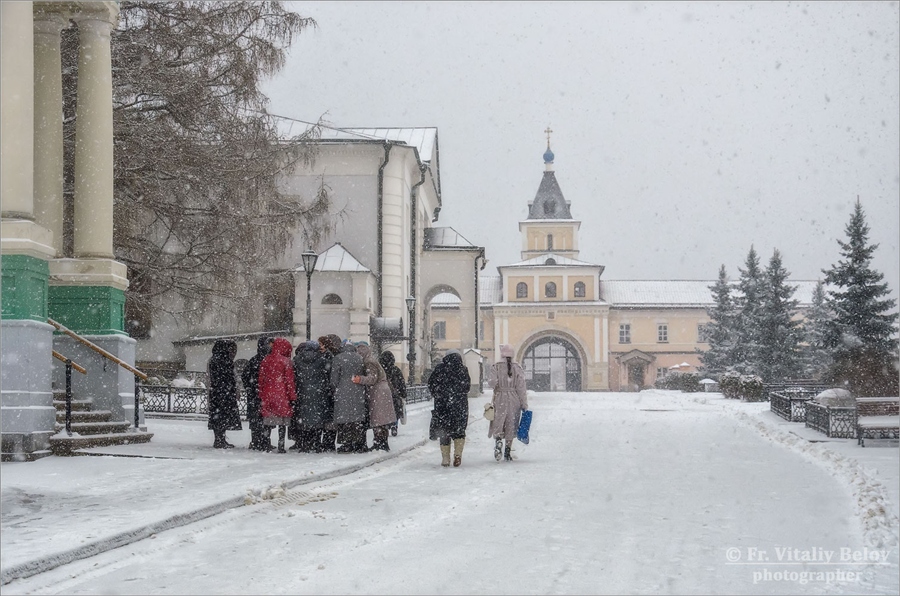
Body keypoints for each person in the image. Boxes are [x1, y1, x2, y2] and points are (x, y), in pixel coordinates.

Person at [428, 349, 471, 467]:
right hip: (459, 405)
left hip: (442, 405)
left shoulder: (439, 369)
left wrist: (438, 394)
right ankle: (457, 455)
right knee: (459, 431)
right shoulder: (463, 369)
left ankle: (445, 458)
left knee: (444, 432)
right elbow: (467, 387)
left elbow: (431, 384)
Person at [487, 344, 528, 462]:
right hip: (514, 398)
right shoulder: (517, 368)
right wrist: (524, 404)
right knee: (511, 423)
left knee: (499, 421)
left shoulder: (496, 367)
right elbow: (521, 388)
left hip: (500, 397)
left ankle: (498, 440)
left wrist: (498, 383)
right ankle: (508, 451)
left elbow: (491, 383)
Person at [354, 342, 397, 451]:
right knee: (381, 419)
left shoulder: (369, 362)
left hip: (378, 392)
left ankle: (380, 444)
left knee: (378, 419)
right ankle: (382, 443)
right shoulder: (371, 360)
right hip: (382, 391)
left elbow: (372, 378)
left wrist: (360, 379)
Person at [292, 340, 332, 452]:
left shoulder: (297, 360)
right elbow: (328, 374)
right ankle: (317, 443)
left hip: (302, 392)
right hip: (319, 394)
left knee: (303, 419)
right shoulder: (322, 361)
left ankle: (304, 444)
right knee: (317, 420)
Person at [259, 337, 296, 454]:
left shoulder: (266, 360)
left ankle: (266, 443)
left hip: (268, 393)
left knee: (268, 420)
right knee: (282, 422)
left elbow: (261, 379)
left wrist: (261, 393)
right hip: (282, 394)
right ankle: (281, 445)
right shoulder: (286, 361)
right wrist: (293, 396)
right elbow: (289, 381)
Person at [331, 338, 368, 453]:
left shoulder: (338, 358)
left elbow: (334, 379)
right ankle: (359, 443)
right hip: (358, 390)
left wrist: (334, 389)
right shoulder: (360, 358)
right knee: (357, 418)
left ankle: (346, 443)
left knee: (345, 418)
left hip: (342, 391)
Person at [207, 340, 242, 449]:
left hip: (215, 392)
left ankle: (219, 439)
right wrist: (234, 390)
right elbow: (231, 378)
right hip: (225, 393)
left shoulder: (212, 360)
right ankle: (220, 440)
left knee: (217, 417)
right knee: (223, 417)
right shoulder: (226, 361)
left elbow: (210, 377)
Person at [241, 336, 274, 451]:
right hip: (263, 394)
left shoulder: (254, 360)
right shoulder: (268, 360)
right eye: (270, 343)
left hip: (256, 395)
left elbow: (245, 376)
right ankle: (263, 441)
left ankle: (257, 441)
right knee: (264, 419)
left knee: (257, 419)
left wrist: (251, 387)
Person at [379, 351, 407, 437]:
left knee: (385, 411)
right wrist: (403, 393)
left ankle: (386, 425)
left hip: (382, 394)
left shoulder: (380, 370)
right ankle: (394, 425)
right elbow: (401, 382)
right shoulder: (396, 370)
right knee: (395, 411)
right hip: (395, 394)